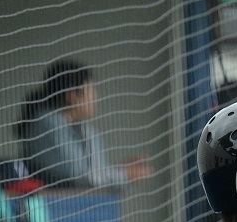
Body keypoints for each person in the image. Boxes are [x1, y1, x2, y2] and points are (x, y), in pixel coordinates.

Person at [16, 59, 151, 188]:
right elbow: (78, 175)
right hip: (56, 206)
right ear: (72, 95)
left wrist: (121, 169)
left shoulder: (84, 128)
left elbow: (96, 174)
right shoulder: (46, 123)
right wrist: (124, 174)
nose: (95, 97)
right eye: (91, 91)